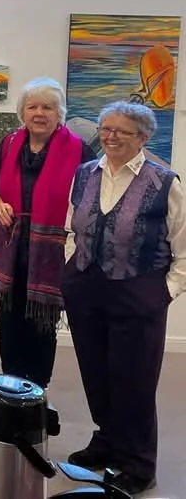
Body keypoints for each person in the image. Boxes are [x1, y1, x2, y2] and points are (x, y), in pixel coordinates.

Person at [61, 101, 186, 495]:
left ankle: (138, 463)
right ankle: (108, 441)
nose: (110, 137)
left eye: (121, 131)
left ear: (143, 138)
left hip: (138, 292)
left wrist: (165, 292)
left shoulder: (165, 182)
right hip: (87, 286)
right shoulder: (84, 174)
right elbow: (72, 227)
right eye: (105, 128)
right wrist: (72, 268)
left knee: (134, 379)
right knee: (96, 372)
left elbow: (183, 247)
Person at [0, 77, 94, 388]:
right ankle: (11, 386)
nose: (39, 113)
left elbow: (91, 200)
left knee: (42, 325)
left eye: (48, 107)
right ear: (22, 112)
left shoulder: (79, 150)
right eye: (32, 106)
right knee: (9, 322)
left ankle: (36, 389)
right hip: (9, 250)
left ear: (60, 114)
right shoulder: (10, 143)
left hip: (50, 253)